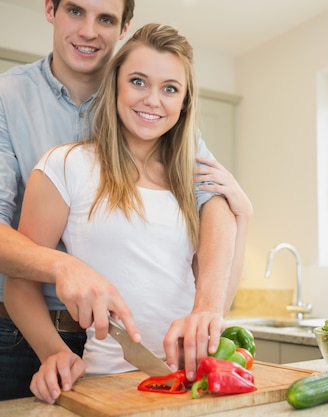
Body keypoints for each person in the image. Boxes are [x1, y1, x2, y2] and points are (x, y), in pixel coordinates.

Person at [0, 0, 251, 401]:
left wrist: (243, 219)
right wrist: (55, 338)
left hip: (179, 378)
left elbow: (215, 218)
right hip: (67, 356)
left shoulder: (185, 170)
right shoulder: (57, 153)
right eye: (138, 82)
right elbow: (18, 275)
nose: (152, 99)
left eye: (170, 89)